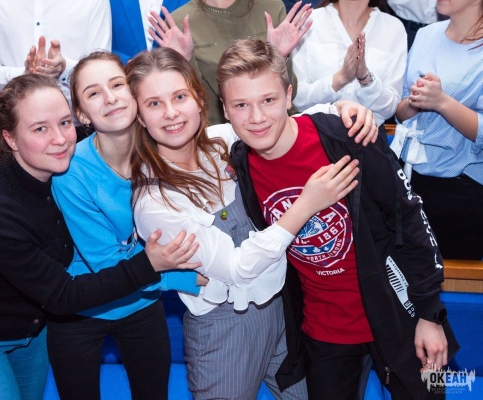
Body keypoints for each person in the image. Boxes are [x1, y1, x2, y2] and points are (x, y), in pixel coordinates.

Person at [0, 74, 201, 400]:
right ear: (10, 139)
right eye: (39, 129)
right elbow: (64, 296)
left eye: (64, 122)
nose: (60, 139)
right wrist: (150, 264)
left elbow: (120, 127)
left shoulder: (56, 156)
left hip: (31, 327)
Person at [222, 39, 458, 400]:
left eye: (268, 100)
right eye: (241, 105)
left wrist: (431, 315)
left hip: (402, 315)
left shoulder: (346, 135)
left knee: (433, 394)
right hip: (325, 332)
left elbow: (410, 217)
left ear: (288, 96)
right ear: (225, 109)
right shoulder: (241, 162)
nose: (256, 117)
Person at [125, 47, 366, 399]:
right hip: (223, 331)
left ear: (199, 99)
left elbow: (277, 121)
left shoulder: (223, 141)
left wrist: (340, 109)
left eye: (179, 97)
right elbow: (237, 269)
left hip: (282, 312)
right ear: (140, 117)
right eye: (154, 103)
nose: (171, 112)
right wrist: (305, 205)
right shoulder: (154, 201)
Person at [48, 51, 201, 400]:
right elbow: (105, 263)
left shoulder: (164, 150)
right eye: (93, 92)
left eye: (117, 85)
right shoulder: (70, 173)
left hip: (142, 301)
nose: (110, 97)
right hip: (81, 307)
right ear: (81, 114)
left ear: (134, 93)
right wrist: (188, 278)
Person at [391, 0, 483, 261]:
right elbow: (400, 111)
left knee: (451, 278)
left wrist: (442, 102)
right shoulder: (426, 34)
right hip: (407, 179)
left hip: (461, 189)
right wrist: (415, 101)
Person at [150, 0, 313, 124]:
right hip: (218, 136)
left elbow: (290, 94)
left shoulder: (271, 7)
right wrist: (185, 61)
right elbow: (191, 105)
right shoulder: (180, 22)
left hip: (277, 126)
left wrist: (280, 57)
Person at [291, 0, 406, 127]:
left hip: (369, 135)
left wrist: (366, 78)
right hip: (313, 131)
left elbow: (390, 108)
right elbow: (295, 99)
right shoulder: (310, 21)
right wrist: (340, 78)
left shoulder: (393, 28)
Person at [0, 0, 111, 99]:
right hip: (14, 123)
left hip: (79, 122)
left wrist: (65, 68)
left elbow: (102, 70)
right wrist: (23, 75)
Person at [110, 0, 189, 63]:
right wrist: (128, 62)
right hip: (123, 74)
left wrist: (182, 61)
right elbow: (103, 43)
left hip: (179, 72)